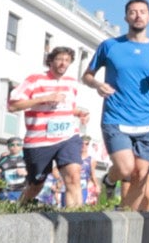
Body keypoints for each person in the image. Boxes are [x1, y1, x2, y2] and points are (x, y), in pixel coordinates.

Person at [82, 0, 149, 215]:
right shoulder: (110, 46)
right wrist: (97, 84)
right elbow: (87, 75)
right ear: (126, 17)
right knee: (125, 168)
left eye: (142, 11)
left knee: (141, 175)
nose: (138, 15)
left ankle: (124, 217)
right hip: (116, 116)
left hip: (146, 121)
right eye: (133, 12)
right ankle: (110, 180)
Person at [9, 47, 92, 207]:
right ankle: (19, 208)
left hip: (67, 136)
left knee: (74, 177)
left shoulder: (71, 83)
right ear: (51, 61)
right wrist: (45, 98)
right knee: (36, 185)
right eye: (59, 59)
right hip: (40, 141)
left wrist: (79, 113)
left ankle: (76, 223)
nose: (63, 63)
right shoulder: (35, 80)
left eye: (67, 60)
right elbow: (13, 106)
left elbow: (67, 108)